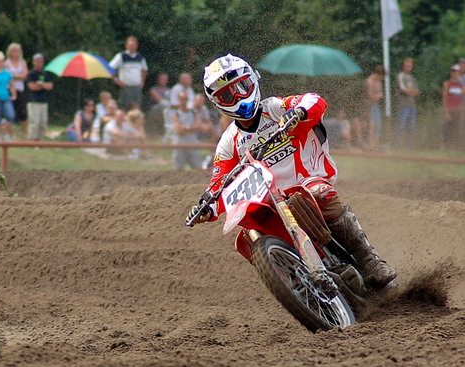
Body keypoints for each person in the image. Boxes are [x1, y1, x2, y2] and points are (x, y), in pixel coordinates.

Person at [185, 54, 395, 289]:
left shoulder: (276, 108)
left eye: (241, 87)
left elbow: (314, 100)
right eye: (227, 95)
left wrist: (299, 112)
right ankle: (293, 282)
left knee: (319, 192)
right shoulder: (228, 142)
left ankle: (370, 261)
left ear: (252, 81)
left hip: (307, 182)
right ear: (217, 102)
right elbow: (219, 181)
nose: (238, 97)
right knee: (250, 232)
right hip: (268, 201)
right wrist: (208, 207)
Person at [109, 36, 148, 110]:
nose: (132, 47)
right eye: (130, 45)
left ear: (136, 46)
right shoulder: (121, 56)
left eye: (133, 45)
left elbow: (145, 70)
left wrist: (142, 82)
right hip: (125, 87)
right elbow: (110, 68)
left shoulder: (140, 57)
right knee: (125, 107)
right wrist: (116, 80)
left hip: (137, 87)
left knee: (137, 106)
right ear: (126, 45)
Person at [169, 90, 202, 169]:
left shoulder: (194, 113)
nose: (184, 101)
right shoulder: (176, 114)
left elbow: (198, 126)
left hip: (192, 143)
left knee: (199, 168)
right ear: (179, 100)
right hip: (180, 144)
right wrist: (191, 128)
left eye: (186, 99)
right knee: (179, 169)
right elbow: (178, 130)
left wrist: (185, 127)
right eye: (182, 99)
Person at [25, 53, 54, 141]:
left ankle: (40, 141)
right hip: (34, 101)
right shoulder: (31, 74)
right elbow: (32, 87)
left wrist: (41, 84)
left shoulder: (45, 74)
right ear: (34, 62)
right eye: (37, 61)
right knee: (35, 122)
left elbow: (50, 86)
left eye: (41, 62)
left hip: (43, 101)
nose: (39, 63)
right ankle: (32, 140)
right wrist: (42, 85)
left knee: (43, 122)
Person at [4, 43, 28, 138]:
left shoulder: (22, 62)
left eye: (17, 51)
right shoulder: (6, 63)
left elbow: (24, 75)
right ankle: (11, 133)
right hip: (9, 89)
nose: (15, 53)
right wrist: (18, 76)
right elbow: (7, 76)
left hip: (20, 89)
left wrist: (13, 76)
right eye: (13, 51)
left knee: (22, 112)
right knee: (10, 112)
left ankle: (24, 132)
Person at [395, 57, 419, 149]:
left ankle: (408, 146)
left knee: (411, 127)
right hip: (403, 105)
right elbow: (403, 90)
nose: (408, 67)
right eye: (406, 65)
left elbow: (416, 91)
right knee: (400, 126)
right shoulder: (400, 76)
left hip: (412, 105)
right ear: (403, 66)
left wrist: (410, 91)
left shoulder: (411, 78)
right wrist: (410, 91)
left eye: (410, 65)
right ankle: (397, 145)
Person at [441, 65, 464, 150]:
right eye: (454, 71)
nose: (455, 73)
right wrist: (446, 112)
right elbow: (444, 98)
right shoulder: (447, 84)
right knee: (446, 130)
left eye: (457, 71)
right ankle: (443, 148)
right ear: (451, 72)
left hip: (457, 111)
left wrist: (462, 112)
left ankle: (452, 149)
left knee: (455, 130)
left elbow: (461, 99)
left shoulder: (460, 85)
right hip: (449, 110)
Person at [364, 66, 384, 150]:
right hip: (369, 106)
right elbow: (369, 95)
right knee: (371, 126)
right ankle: (370, 145)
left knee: (378, 126)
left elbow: (380, 94)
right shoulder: (370, 81)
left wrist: (377, 96)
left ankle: (376, 145)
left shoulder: (379, 82)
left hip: (376, 106)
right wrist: (378, 96)